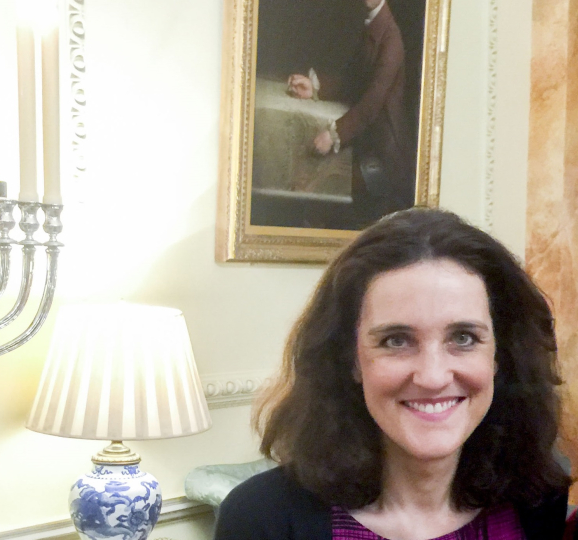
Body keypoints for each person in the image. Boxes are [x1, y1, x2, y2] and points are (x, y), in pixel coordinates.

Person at [215, 208, 572, 540]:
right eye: (396, 340)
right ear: (351, 359)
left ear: (500, 355)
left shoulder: (537, 498)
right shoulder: (260, 517)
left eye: (463, 338)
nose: (432, 377)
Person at [287, 0, 414, 215]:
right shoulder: (373, 27)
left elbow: (372, 103)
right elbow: (353, 83)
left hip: (384, 158)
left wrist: (333, 134)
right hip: (366, 142)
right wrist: (315, 88)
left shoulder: (392, 40)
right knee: (309, 187)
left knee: (319, 192)